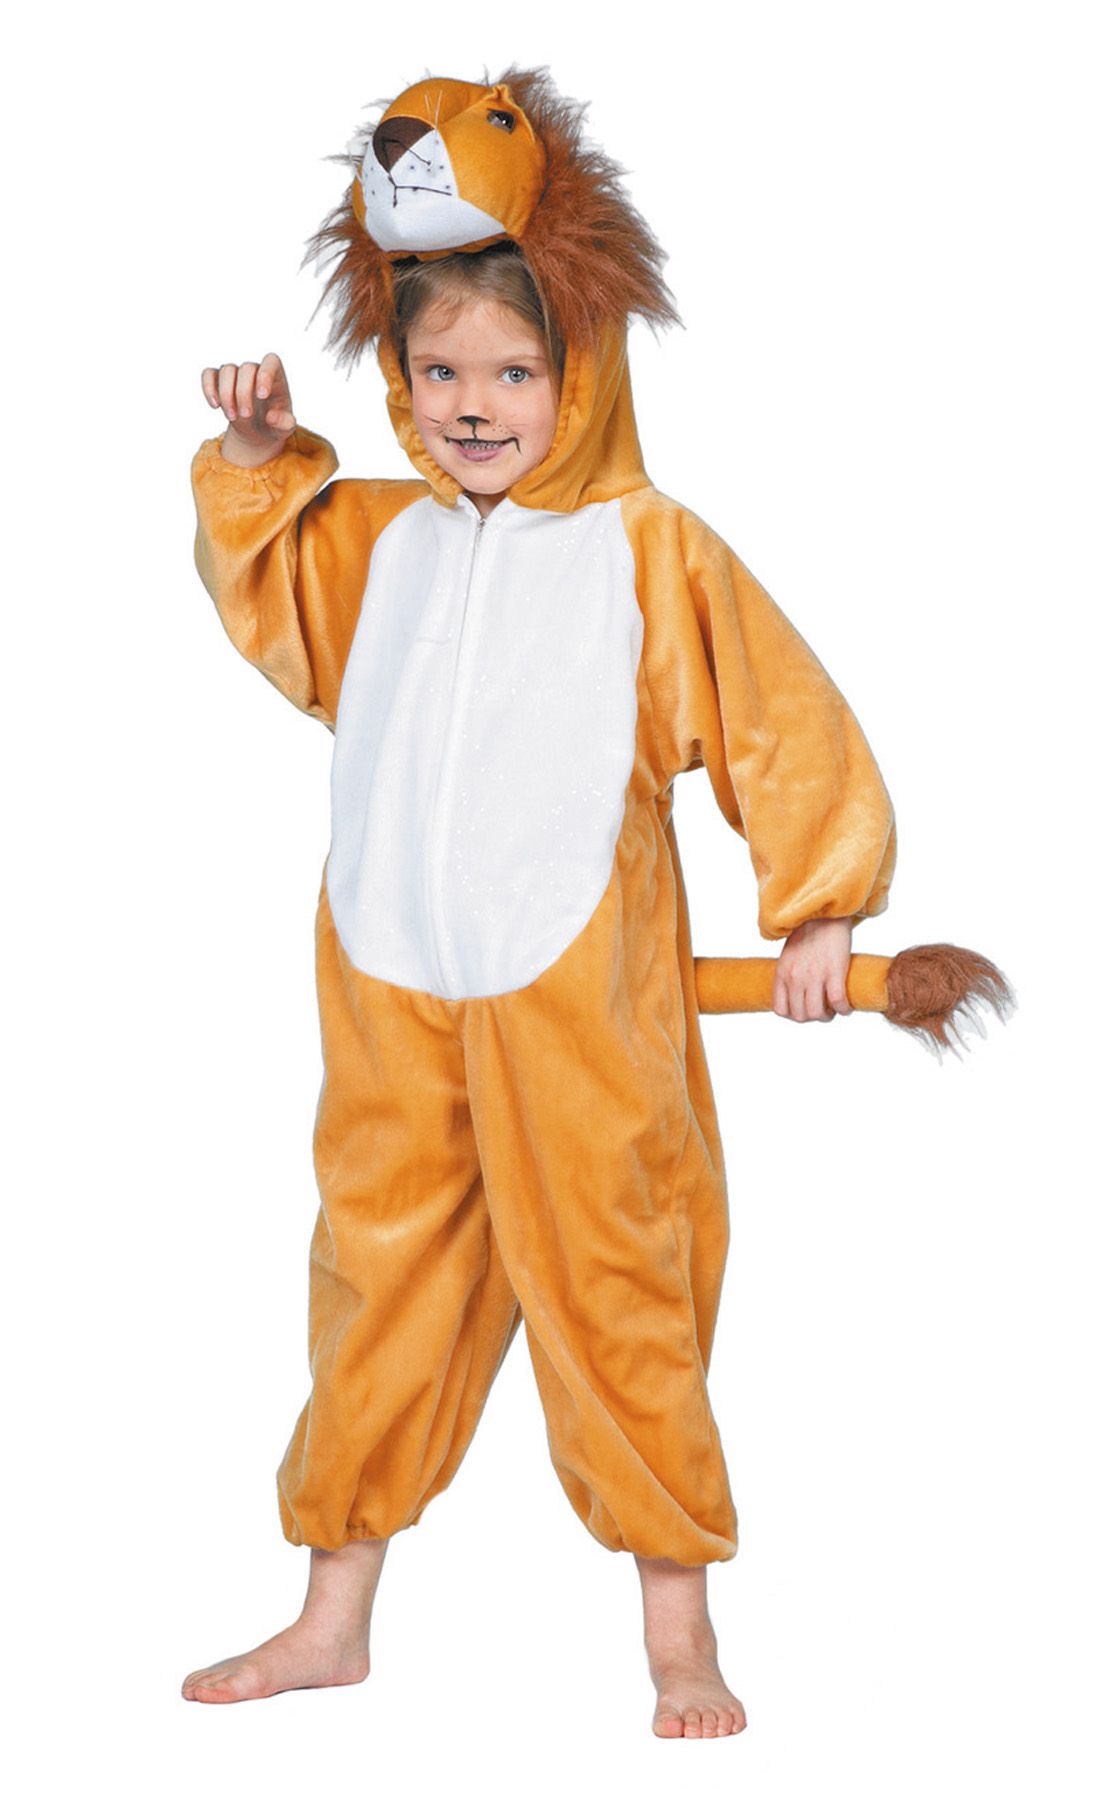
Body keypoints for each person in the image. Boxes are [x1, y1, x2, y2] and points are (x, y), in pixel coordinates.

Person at [181, 71, 895, 1739]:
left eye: (513, 370)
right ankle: (332, 1618)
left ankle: (677, 1633)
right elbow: (276, 599)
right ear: (399, 378)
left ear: (582, 369)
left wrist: (817, 909)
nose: (473, 403)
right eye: (438, 372)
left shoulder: (647, 550)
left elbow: (772, 715)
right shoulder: (382, 541)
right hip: (388, 985)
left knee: (617, 1281)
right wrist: (256, 459)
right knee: (372, 1282)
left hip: (579, 998)